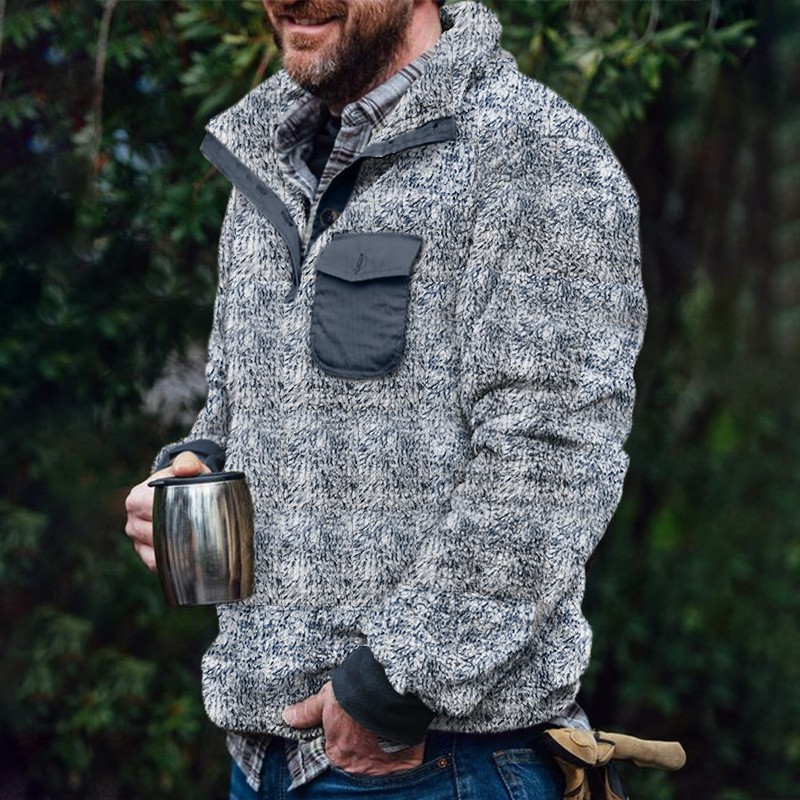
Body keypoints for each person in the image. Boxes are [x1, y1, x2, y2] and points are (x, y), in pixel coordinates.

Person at [124, 0, 648, 797]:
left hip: (435, 760)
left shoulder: (535, 152)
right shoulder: (267, 158)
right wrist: (196, 465)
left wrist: (393, 686)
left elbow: (552, 460)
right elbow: (237, 403)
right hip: (259, 759)